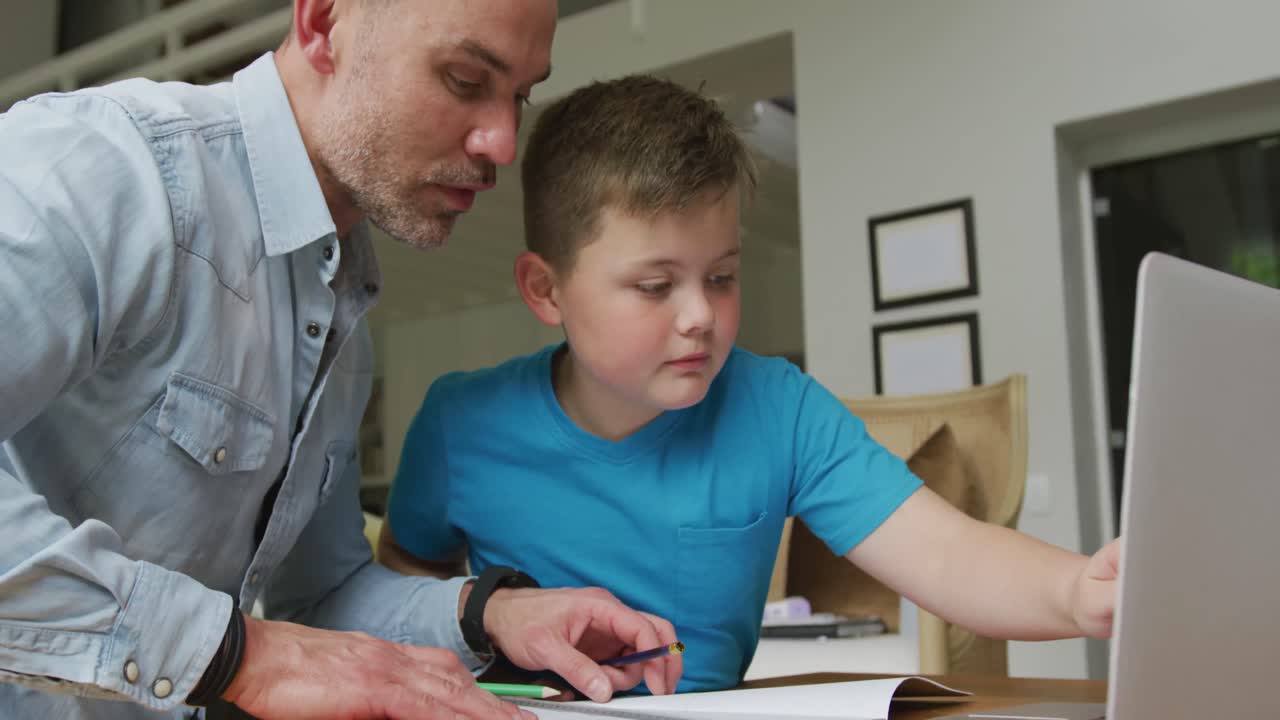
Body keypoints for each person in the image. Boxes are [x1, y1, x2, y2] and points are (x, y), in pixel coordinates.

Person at [0, 2, 683, 719]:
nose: (504, 141)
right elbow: (267, 650)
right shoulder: (107, 168)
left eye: (519, 94)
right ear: (323, 24)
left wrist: (489, 613)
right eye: (462, 78)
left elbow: (319, 597)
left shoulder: (340, 313)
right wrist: (245, 656)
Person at [379, 74, 1122, 693]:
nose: (701, 315)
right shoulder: (459, 423)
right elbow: (402, 591)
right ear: (546, 291)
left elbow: (945, 553)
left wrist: (1078, 590)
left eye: (723, 277)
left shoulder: (779, 408)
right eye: (655, 285)